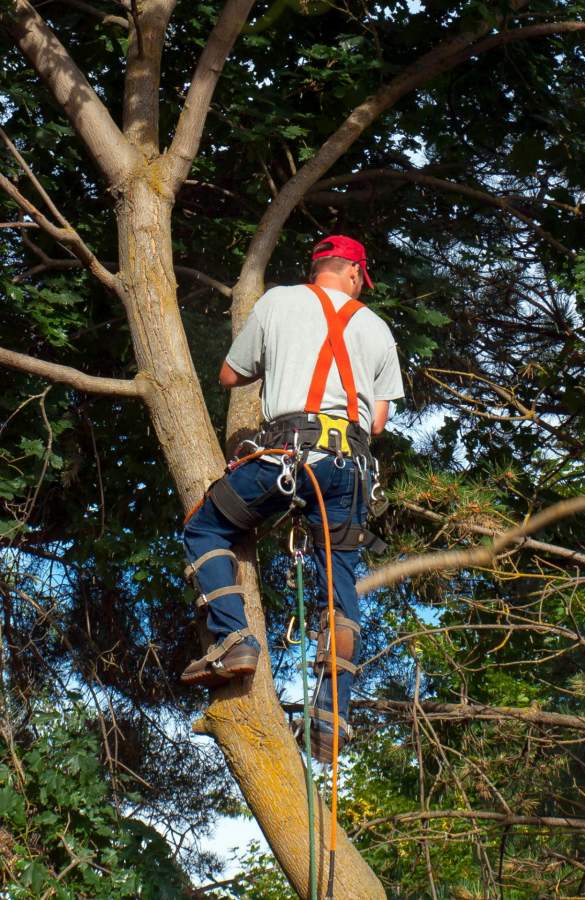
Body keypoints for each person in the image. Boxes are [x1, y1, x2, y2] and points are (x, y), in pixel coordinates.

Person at [181, 235, 404, 761]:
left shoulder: (278, 301)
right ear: (354, 274)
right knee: (338, 589)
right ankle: (330, 721)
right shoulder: (376, 327)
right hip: (349, 469)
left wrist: (282, 361)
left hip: (286, 456)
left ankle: (234, 640)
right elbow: (376, 422)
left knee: (207, 527)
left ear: (319, 267)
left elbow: (230, 375)